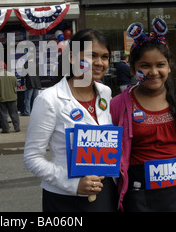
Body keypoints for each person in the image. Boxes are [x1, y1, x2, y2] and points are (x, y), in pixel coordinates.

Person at [110, 20, 176, 212]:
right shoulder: (118, 105)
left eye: (160, 65)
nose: (153, 72)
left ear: (169, 67)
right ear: (133, 70)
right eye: (144, 66)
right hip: (138, 199)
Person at [24, 29, 117, 212]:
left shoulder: (105, 92)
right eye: (92, 56)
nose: (99, 63)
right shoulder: (49, 99)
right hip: (66, 199)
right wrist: (73, 183)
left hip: (106, 191)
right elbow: (32, 158)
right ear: (73, 58)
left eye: (105, 57)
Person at [0, 61, 20, 133]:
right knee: (14, 113)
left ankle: (6, 129)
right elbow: (16, 84)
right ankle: (17, 127)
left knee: (2, 114)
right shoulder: (12, 75)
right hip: (12, 97)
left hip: (1, 98)